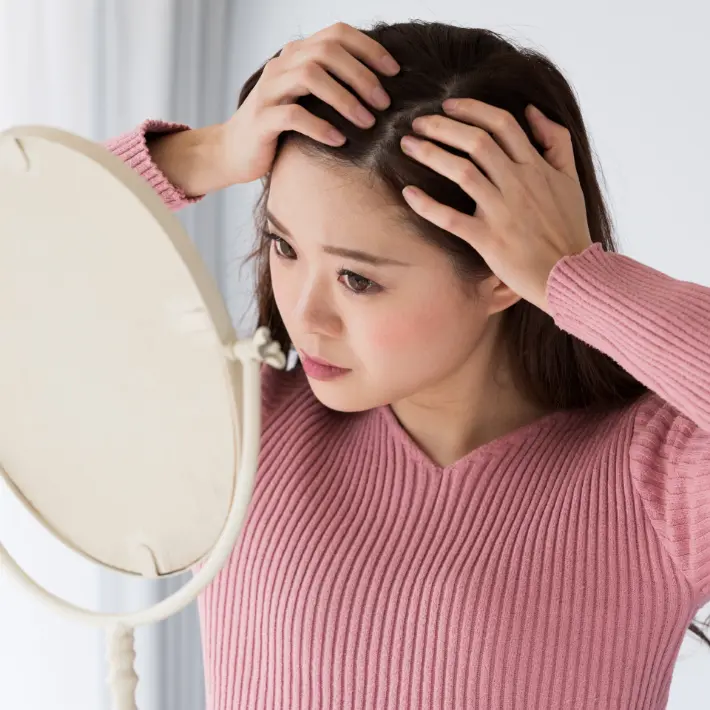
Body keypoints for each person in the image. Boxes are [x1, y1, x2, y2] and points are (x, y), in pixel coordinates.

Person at [103, 19, 710, 710]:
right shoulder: (243, 431)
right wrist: (204, 154)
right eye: (284, 245)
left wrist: (573, 275)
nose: (306, 314)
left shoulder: (660, 481)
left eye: (358, 280)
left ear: (500, 274)